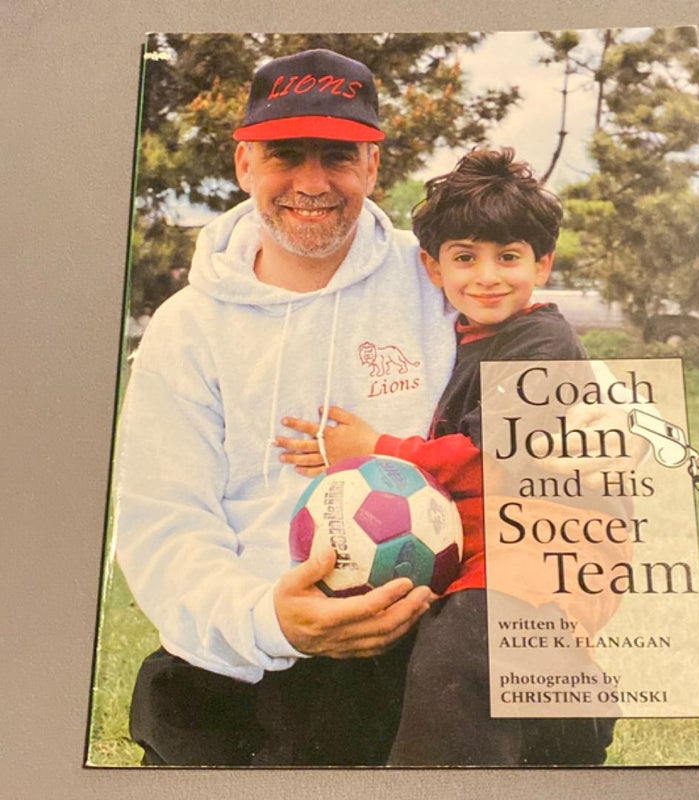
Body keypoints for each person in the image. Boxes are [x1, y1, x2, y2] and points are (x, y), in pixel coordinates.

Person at [114, 48, 458, 766]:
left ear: (372, 166)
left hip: (420, 662)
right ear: (244, 165)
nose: (311, 182)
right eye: (284, 155)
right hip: (243, 666)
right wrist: (271, 620)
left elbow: (538, 387)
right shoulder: (187, 327)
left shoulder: (437, 287)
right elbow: (164, 527)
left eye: (337, 155)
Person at [277, 147, 623, 765]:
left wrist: (374, 448)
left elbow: (498, 460)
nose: (487, 276)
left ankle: (577, 712)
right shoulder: (462, 336)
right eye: (465, 258)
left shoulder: (541, 339)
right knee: (398, 659)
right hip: (486, 549)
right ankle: (566, 722)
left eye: (508, 257)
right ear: (433, 268)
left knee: (466, 646)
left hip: (548, 547)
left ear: (541, 264)